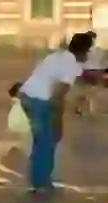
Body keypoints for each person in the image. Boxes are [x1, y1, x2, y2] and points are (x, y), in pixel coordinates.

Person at [17, 31, 93, 193]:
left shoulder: (57, 56)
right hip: (41, 101)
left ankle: (40, 179)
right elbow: (58, 93)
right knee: (47, 140)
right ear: (84, 51)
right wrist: (58, 119)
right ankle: (40, 183)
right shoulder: (72, 65)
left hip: (28, 97)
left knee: (42, 140)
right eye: (89, 50)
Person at [74, 31, 104, 115]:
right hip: (95, 71)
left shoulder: (83, 49)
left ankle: (82, 107)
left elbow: (79, 62)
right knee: (91, 91)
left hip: (86, 71)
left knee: (86, 91)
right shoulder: (98, 50)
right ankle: (87, 107)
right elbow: (101, 61)